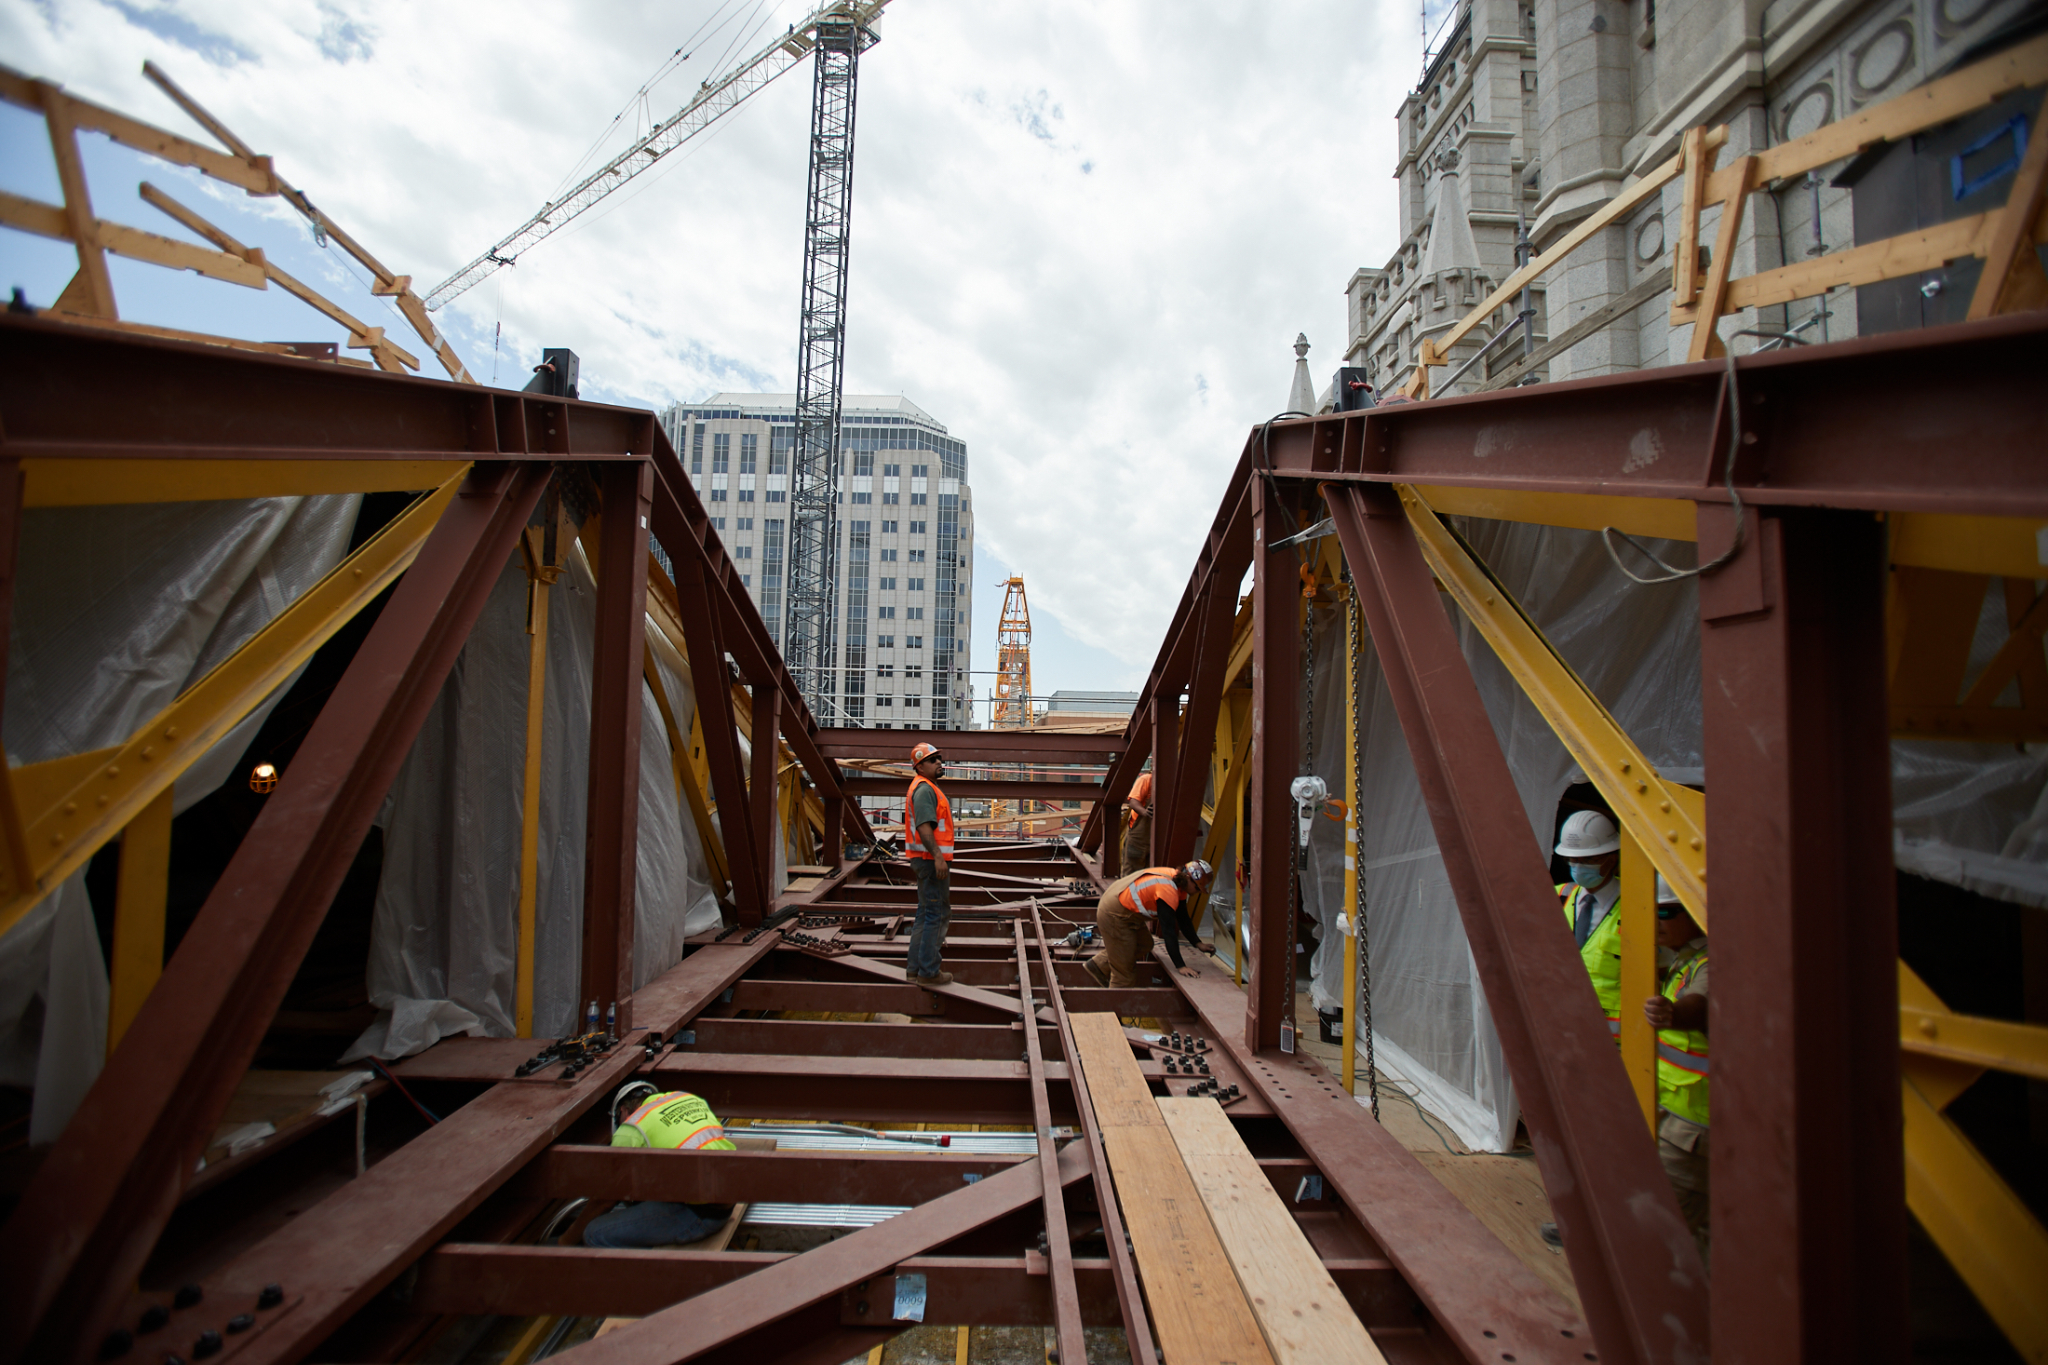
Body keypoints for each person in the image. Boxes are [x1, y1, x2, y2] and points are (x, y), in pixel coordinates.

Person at [582, 1084, 738, 1249]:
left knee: (594, 1234)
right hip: (729, 1194)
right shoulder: (686, 1098)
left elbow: (605, 1201)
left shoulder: (631, 1128)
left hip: (701, 1215)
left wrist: (565, 1242)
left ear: (623, 1111)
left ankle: (645, 1272)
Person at [1643, 876, 1709, 1266]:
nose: (1655, 920)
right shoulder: (1685, 958)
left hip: (1693, 1133)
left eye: (1666, 911)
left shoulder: (1711, 963)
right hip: (1676, 1120)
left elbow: (1702, 1005)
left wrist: (1674, 1014)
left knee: (1661, 1236)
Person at [1554, 809, 1624, 1041]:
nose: (1578, 866)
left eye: (1588, 859)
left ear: (1612, 857)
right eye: (1573, 859)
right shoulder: (1555, 898)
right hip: (1561, 1031)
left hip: (1614, 1043)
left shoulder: (1639, 906)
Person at [1085, 860, 1212, 988]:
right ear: (1188, 878)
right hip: (1115, 915)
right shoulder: (1167, 891)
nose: (1197, 892)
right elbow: (1169, 931)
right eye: (1197, 888)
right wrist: (1181, 966)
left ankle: (1098, 966)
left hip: (1124, 910)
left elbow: (1183, 917)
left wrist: (1197, 943)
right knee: (1124, 975)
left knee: (1144, 944)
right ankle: (1115, 1003)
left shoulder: (1177, 881)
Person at [904, 741, 954, 987]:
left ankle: (915, 970)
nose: (939, 763)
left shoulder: (925, 787)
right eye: (933, 760)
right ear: (920, 766)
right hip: (930, 861)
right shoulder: (924, 789)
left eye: (939, 758)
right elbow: (924, 827)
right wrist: (938, 857)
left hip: (925, 860)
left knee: (925, 914)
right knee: (936, 913)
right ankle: (929, 971)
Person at [1120, 771, 1155, 872]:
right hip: (1138, 839)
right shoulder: (1146, 780)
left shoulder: (1171, 786)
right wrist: (1145, 812)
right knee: (1131, 872)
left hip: (1155, 840)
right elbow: (1133, 802)